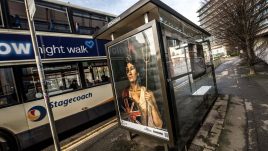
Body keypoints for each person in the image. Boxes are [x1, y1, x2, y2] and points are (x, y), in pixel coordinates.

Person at [121, 53, 163, 128]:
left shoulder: (147, 93)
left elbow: (159, 124)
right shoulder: (125, 94)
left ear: (138, 73)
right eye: (127, 70)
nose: (129, 73)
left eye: (132, 69)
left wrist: (152, 105)